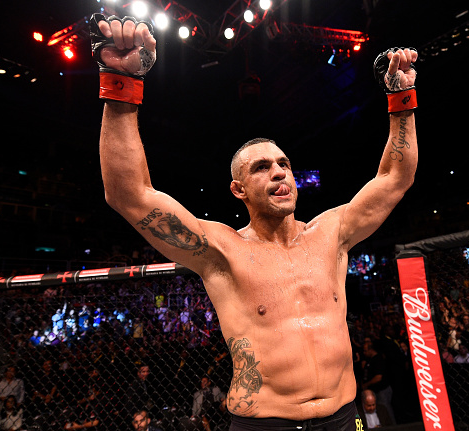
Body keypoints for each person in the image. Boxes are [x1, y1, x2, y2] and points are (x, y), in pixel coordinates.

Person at [92, 13, 417, 429]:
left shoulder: (332, 232)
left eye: (284, 163)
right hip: (264, 422)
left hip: (344, 417)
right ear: (238, 190)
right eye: (262, 167)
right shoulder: (222, 250)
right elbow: (129, 195)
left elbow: (395, 178)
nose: (280, 172)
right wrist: (120, 83)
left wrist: (401, 97)